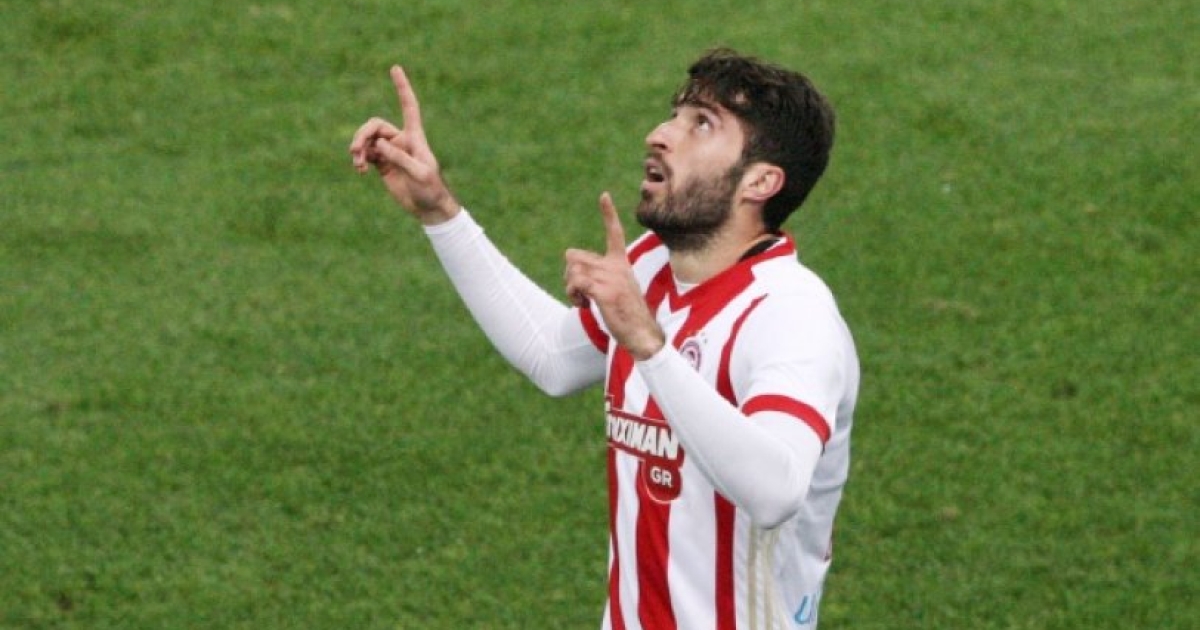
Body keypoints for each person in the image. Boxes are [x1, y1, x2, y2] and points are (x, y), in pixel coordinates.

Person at [349, 48, 859, 630]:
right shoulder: (653, 265)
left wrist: (647, 344)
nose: (660, 134)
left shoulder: (791, 313)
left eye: (702, 124)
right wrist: (440, 212)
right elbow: (553, 357)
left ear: (761, 181)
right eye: (675, 113)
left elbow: (776, 492)